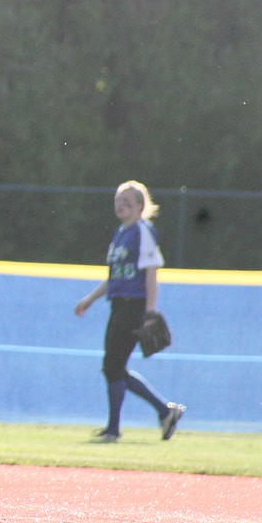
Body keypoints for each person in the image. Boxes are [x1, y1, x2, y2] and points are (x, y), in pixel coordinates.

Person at [74, 180, 186, 443]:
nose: (120, 205)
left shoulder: (142, 230)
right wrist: (90, 299)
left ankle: (115, 430)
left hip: (134, 306)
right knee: (114, 367)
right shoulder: (120, 233)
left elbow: (151, 272)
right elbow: (115, 277)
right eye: (117, 201)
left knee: (112, 366)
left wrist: (150, 312)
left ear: (139, 206)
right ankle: (165, 411)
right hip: (119, 304)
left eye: (127, 202)